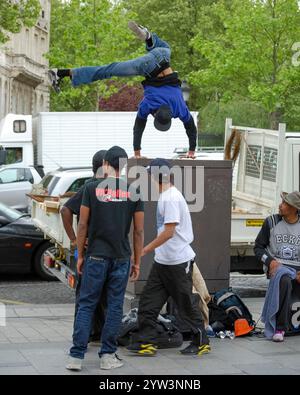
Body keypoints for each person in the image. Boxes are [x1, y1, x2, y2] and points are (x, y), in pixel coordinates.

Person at [48, 22, 197, 159]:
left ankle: (149, 38)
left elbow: (191, 127)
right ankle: (60, 73)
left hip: (164, 52)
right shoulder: (149, 104)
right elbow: (139, 126)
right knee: (108, 70)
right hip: (148, 65)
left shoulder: (179, 107)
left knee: (165, 49)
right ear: (157, 114)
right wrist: (137, 154)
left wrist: (192, 151)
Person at [66, 146, 144, 371]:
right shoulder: (134, 191)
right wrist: (137, 261)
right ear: (124, 166)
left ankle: (76, 356)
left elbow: (82, 225)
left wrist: (80, 254)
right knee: (114, 306)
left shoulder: (90, 188)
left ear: (106, 165)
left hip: (96, 257)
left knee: (86, 304)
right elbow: (138, 231)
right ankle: (108, 356)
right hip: (121, 257)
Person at [127, 158, 210, 356]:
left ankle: (201, 342)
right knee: (148, 302)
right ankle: (146, 341)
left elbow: (169, 232)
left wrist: (144, 250)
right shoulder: (166, 195)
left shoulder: (171, 197)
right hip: (163, 262)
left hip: (178, 262)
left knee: (185, 304)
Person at [60, 150, 107, 343]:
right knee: (87, 297)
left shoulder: (102, 187)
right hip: (90, 252)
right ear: (104, 165)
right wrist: (74, 239)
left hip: (96, 251)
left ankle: (95, 332)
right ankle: (82, 336)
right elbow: (65, 210)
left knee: (96, 296)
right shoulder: (90, 187)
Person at [254, 191, 300, 342]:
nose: (281, 205)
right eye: (282, 202)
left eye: (285, 203)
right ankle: (279, 328)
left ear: (294, 208)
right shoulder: (271, 222)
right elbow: (258, 248)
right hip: (276, 266)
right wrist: (270, 261)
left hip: (297, 268)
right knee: (284, 280)